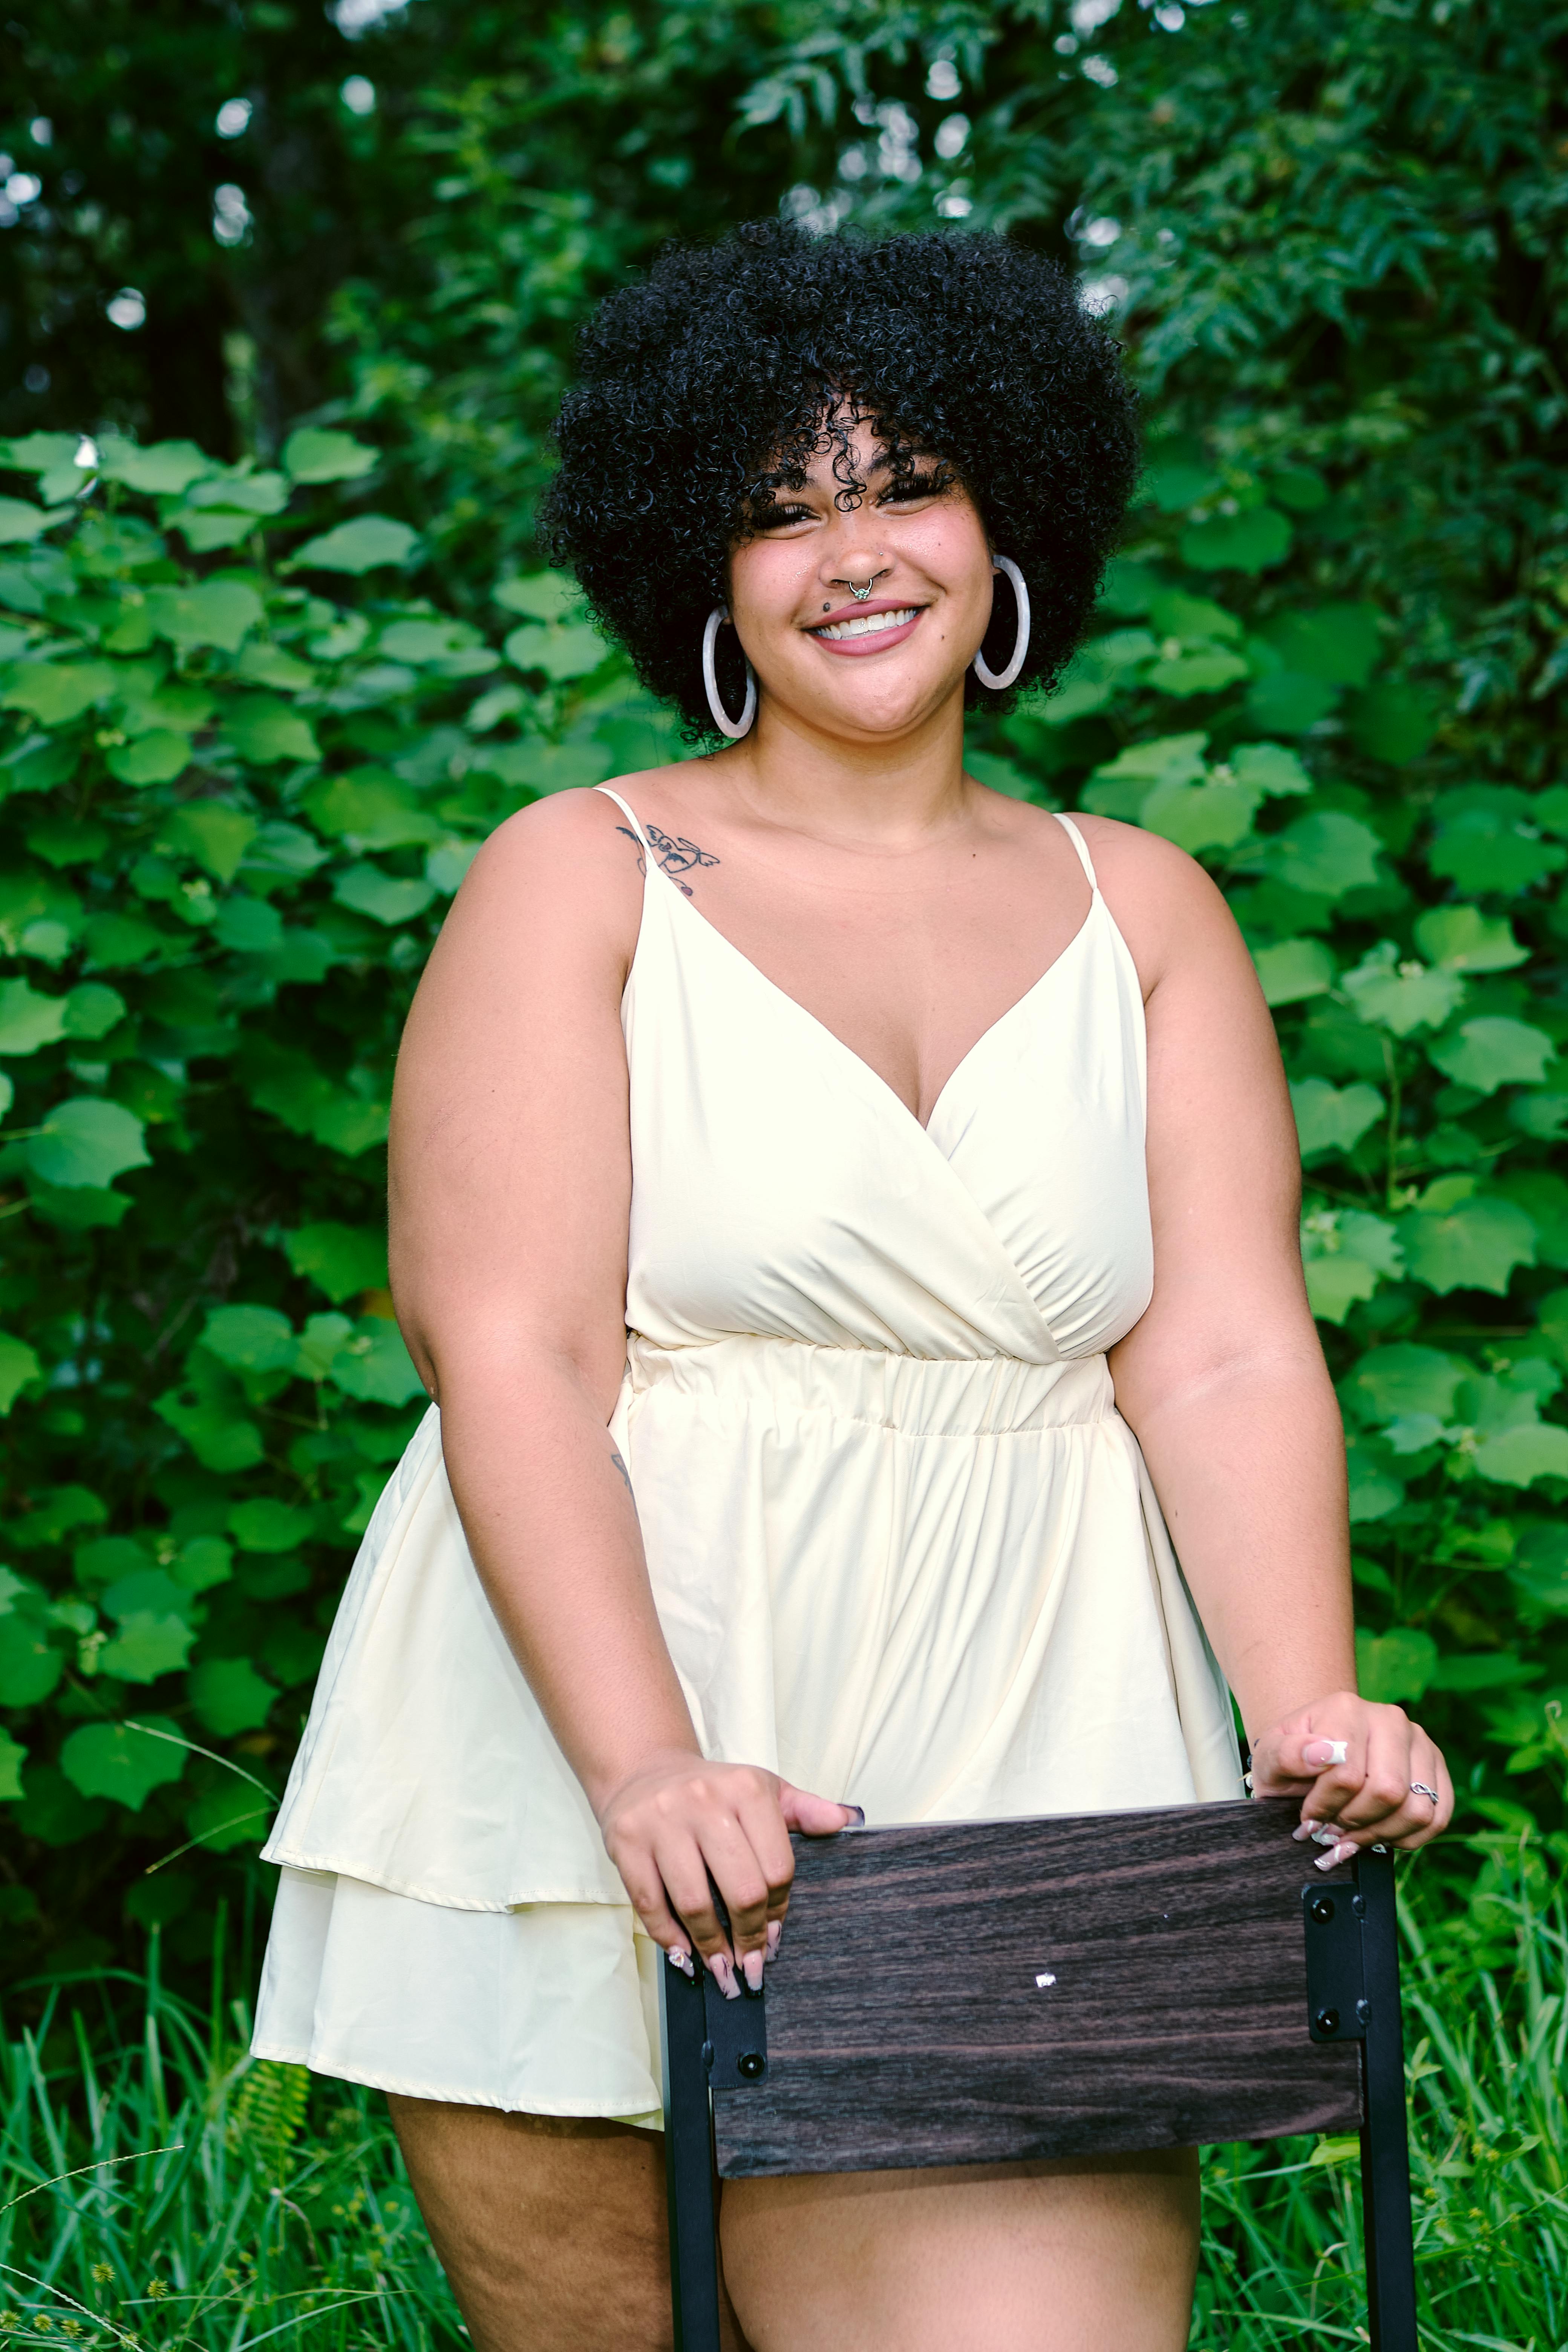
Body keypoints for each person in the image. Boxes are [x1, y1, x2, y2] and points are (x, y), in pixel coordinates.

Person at [252, 224, 1453, 2352]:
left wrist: (1308, 1711)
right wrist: (646, 1767)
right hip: (614, 1702)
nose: (852, 554)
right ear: (700, 576)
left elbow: (1231, 1348)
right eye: (778, 511)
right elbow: (504, 1348)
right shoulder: (582, 875)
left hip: (1031, 1734)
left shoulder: (1142, 904)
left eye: (904, 483)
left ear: (1008, 516)